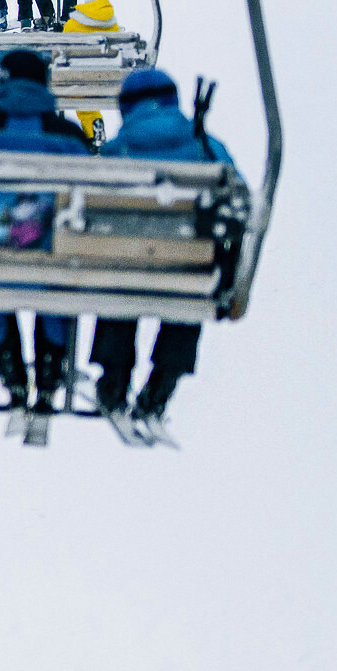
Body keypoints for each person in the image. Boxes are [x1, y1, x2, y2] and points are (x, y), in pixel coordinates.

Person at [88, 69, 236, 425]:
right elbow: (237, 202)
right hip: (188, 266)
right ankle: (162, 385)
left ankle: (113, 379)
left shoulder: (114, 153)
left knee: (118, 275)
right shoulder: (206, 147)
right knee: (194, 281)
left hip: (125, 267)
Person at [0, 52, 91, 412]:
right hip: (52, 259)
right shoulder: (70, 138)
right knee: (59, 271)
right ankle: (49, 372)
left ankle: (10, 372)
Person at [61, 0, 118, 139]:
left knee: (82, 96)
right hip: (108, 79)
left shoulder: (72, 25)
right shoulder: (113, 25)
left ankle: (91, 128)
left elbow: (60, 51)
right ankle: (95, 129)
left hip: (79, 79)